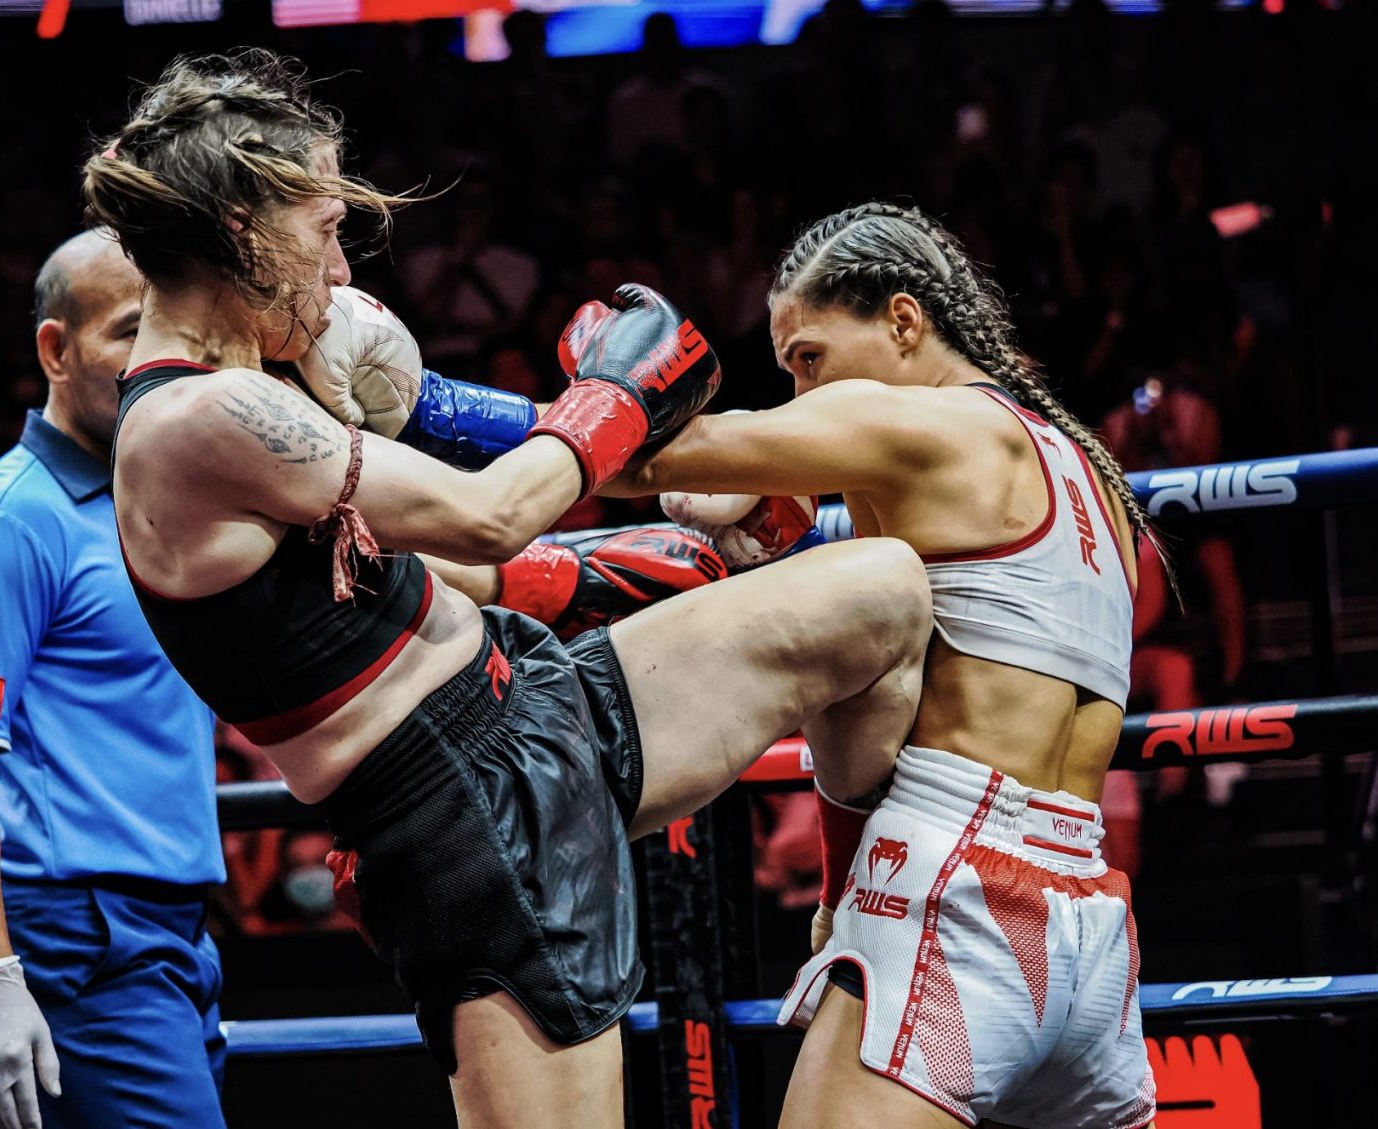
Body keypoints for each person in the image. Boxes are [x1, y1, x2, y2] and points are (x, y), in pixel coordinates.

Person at [86, 49, 932, 1128]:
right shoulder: (194, 420)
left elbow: (447, 560)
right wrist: (615, 393)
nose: (342, 267)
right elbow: (488, 512)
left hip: (531, 696)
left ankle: (863, 913)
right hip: (460, 817)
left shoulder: (262, 378)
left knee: (878, 590)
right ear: (244, 230)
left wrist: (594, 571)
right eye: (324, 229)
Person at [614, 202, 1159, 1127]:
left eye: (811, 360)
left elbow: (635, 460)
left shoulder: (923, 428)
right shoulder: (1095, 477)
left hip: (957, 894)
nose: (801, 397)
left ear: (904, 322)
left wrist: (431, 406)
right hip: (1090, 923)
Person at [0, 230, 228, 1129]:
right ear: (56, 349)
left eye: (179, 335)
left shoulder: (164, 506)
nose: (161, 362)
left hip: (171, 929)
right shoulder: (7, 523)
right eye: (131, 331)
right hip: (77, 934)